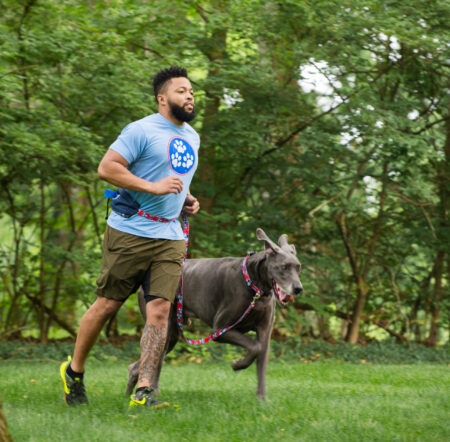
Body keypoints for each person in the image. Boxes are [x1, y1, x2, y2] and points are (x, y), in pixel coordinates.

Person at [60, 66, 200, 408]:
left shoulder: (193, 137)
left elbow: (176, 177)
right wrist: (152, 187)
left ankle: (144, 390)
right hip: (131, 230)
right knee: (107, 304)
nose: (190, 96)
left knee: (160, 311)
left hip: (169, 234)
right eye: (182, 91)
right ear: (162, 98)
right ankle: (73, 372)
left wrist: (186, 201)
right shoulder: (141, 130)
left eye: (192, 91)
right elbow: (107, 168)